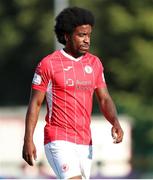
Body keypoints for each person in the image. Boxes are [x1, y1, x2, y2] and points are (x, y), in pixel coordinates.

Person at [22, 6, 124, 179]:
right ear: (67, 36)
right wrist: (28, 140)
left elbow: (105, 99)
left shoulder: (95, 63)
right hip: (58, 139)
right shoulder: (48, 64)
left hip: (85, 142)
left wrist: (115, 121)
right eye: (81, 35)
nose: (87, 40)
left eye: (89, 35)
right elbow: (35, 104)